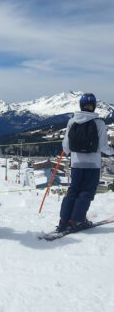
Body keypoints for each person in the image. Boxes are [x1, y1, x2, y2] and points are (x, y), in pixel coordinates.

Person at [57, 93, 114, 232]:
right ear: (93, 106)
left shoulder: (72, 121)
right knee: (86, 192)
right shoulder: (99, 123)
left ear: (81, 105)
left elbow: (66, 146)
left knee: (73, 191)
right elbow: (103, 147)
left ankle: (64, 221)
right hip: (93, 165)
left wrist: (74, 155)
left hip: (76, 164)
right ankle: (77, 221)